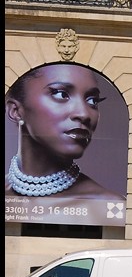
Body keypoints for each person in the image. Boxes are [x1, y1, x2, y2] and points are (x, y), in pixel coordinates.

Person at [5, 63, 124, 202]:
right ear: (16, 111)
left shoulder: (105, 205)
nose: (84, 114)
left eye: (92, 101)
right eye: (61, 94)